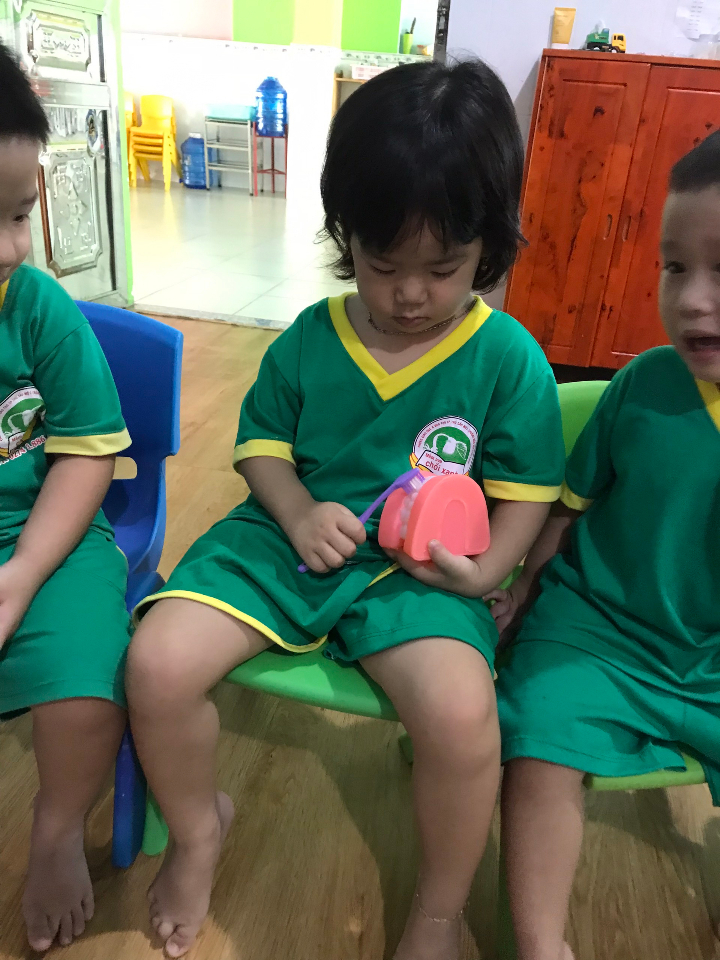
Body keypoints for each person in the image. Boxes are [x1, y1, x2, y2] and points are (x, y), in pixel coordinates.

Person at [126, 59, 566, 960]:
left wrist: (487, 572)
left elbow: (527, 491)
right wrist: (295, 510)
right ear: (345, 237)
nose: (409, 294)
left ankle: (438, 912)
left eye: (443, 269)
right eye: (381, 263)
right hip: (283, 543)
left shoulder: (508, 358)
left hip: (421, 578)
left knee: (463, 719)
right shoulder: (309, 337)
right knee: (157, 662)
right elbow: (261, 446)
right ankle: (199, 831)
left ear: (489, 247)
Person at [490, 130, 720, 960]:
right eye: (675, 267)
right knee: (539, 747)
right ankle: (540, 943)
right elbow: (565, 509)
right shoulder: (641, 387)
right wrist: (525, 593)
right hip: (597, 631)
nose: (693, 299)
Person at [0, 42, 132, 953]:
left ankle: (56, 831)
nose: (13, 246)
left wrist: (21, 576)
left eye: (18, 213)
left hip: (50, 530)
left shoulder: (37, 307)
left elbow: (86, 457)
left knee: (92, 682)